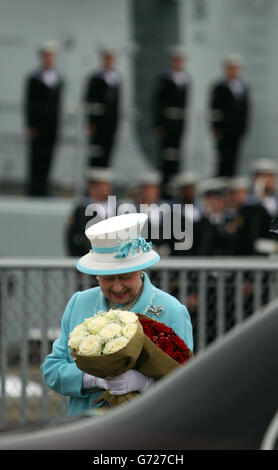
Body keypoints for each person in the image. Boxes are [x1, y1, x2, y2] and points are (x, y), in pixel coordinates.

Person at [41, 213, 193, 416]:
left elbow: (186, 383)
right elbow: (52, 369)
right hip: (84, 427)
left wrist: (147, 384)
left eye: (125, 277)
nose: (117, 286)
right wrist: (90, 378)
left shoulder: (172, 310)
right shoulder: (79, 303)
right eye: (108, 278)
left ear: (140, 269)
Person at [24, 40, 63, 196]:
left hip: (51, 125)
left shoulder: (57, 78)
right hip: (37, 126)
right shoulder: (34, 78)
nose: (49, 59)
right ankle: (34, 189)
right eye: (46, 56)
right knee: (36, 158)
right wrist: (30, 125)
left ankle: (45, 188)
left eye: (51, 56)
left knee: (48, 157)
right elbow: (29, 103)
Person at [152, 46, 191, 198]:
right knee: (165, 156)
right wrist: (158, 124)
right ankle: (164, 189)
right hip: (166, 122)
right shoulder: (164, 78)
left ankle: (175, 187)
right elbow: (157, 102)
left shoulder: (185, 79)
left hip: (178, 123)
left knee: (176, 156)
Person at [209, 54, 250, 178]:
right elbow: (214, 109)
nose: (233, 71)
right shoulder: (219, 87)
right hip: (223, 129)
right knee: (222, 157)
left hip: (236, 129)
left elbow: (246, 110)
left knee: (234, 157)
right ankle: (221, 179)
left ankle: (232, 179)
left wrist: (244, 128)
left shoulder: (243, 87)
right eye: (231, 68)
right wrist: (215, 127)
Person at [65, 167, 115, 257]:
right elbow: (77, 237)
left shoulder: (114, 208)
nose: (108, 189)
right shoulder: (82, 210)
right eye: (103, 186)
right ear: (92, 187)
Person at [84, 48, 121, 168]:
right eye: (107, 58)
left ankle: (104, 183)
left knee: (108, 154)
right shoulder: (95, 78)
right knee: (96, 154)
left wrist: (116, 124)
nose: (109, 61)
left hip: (110, 122)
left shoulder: (116, 79)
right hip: (98, 123)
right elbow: (89, 100)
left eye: (111, 59)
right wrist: (90, 122)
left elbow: (117, 103)